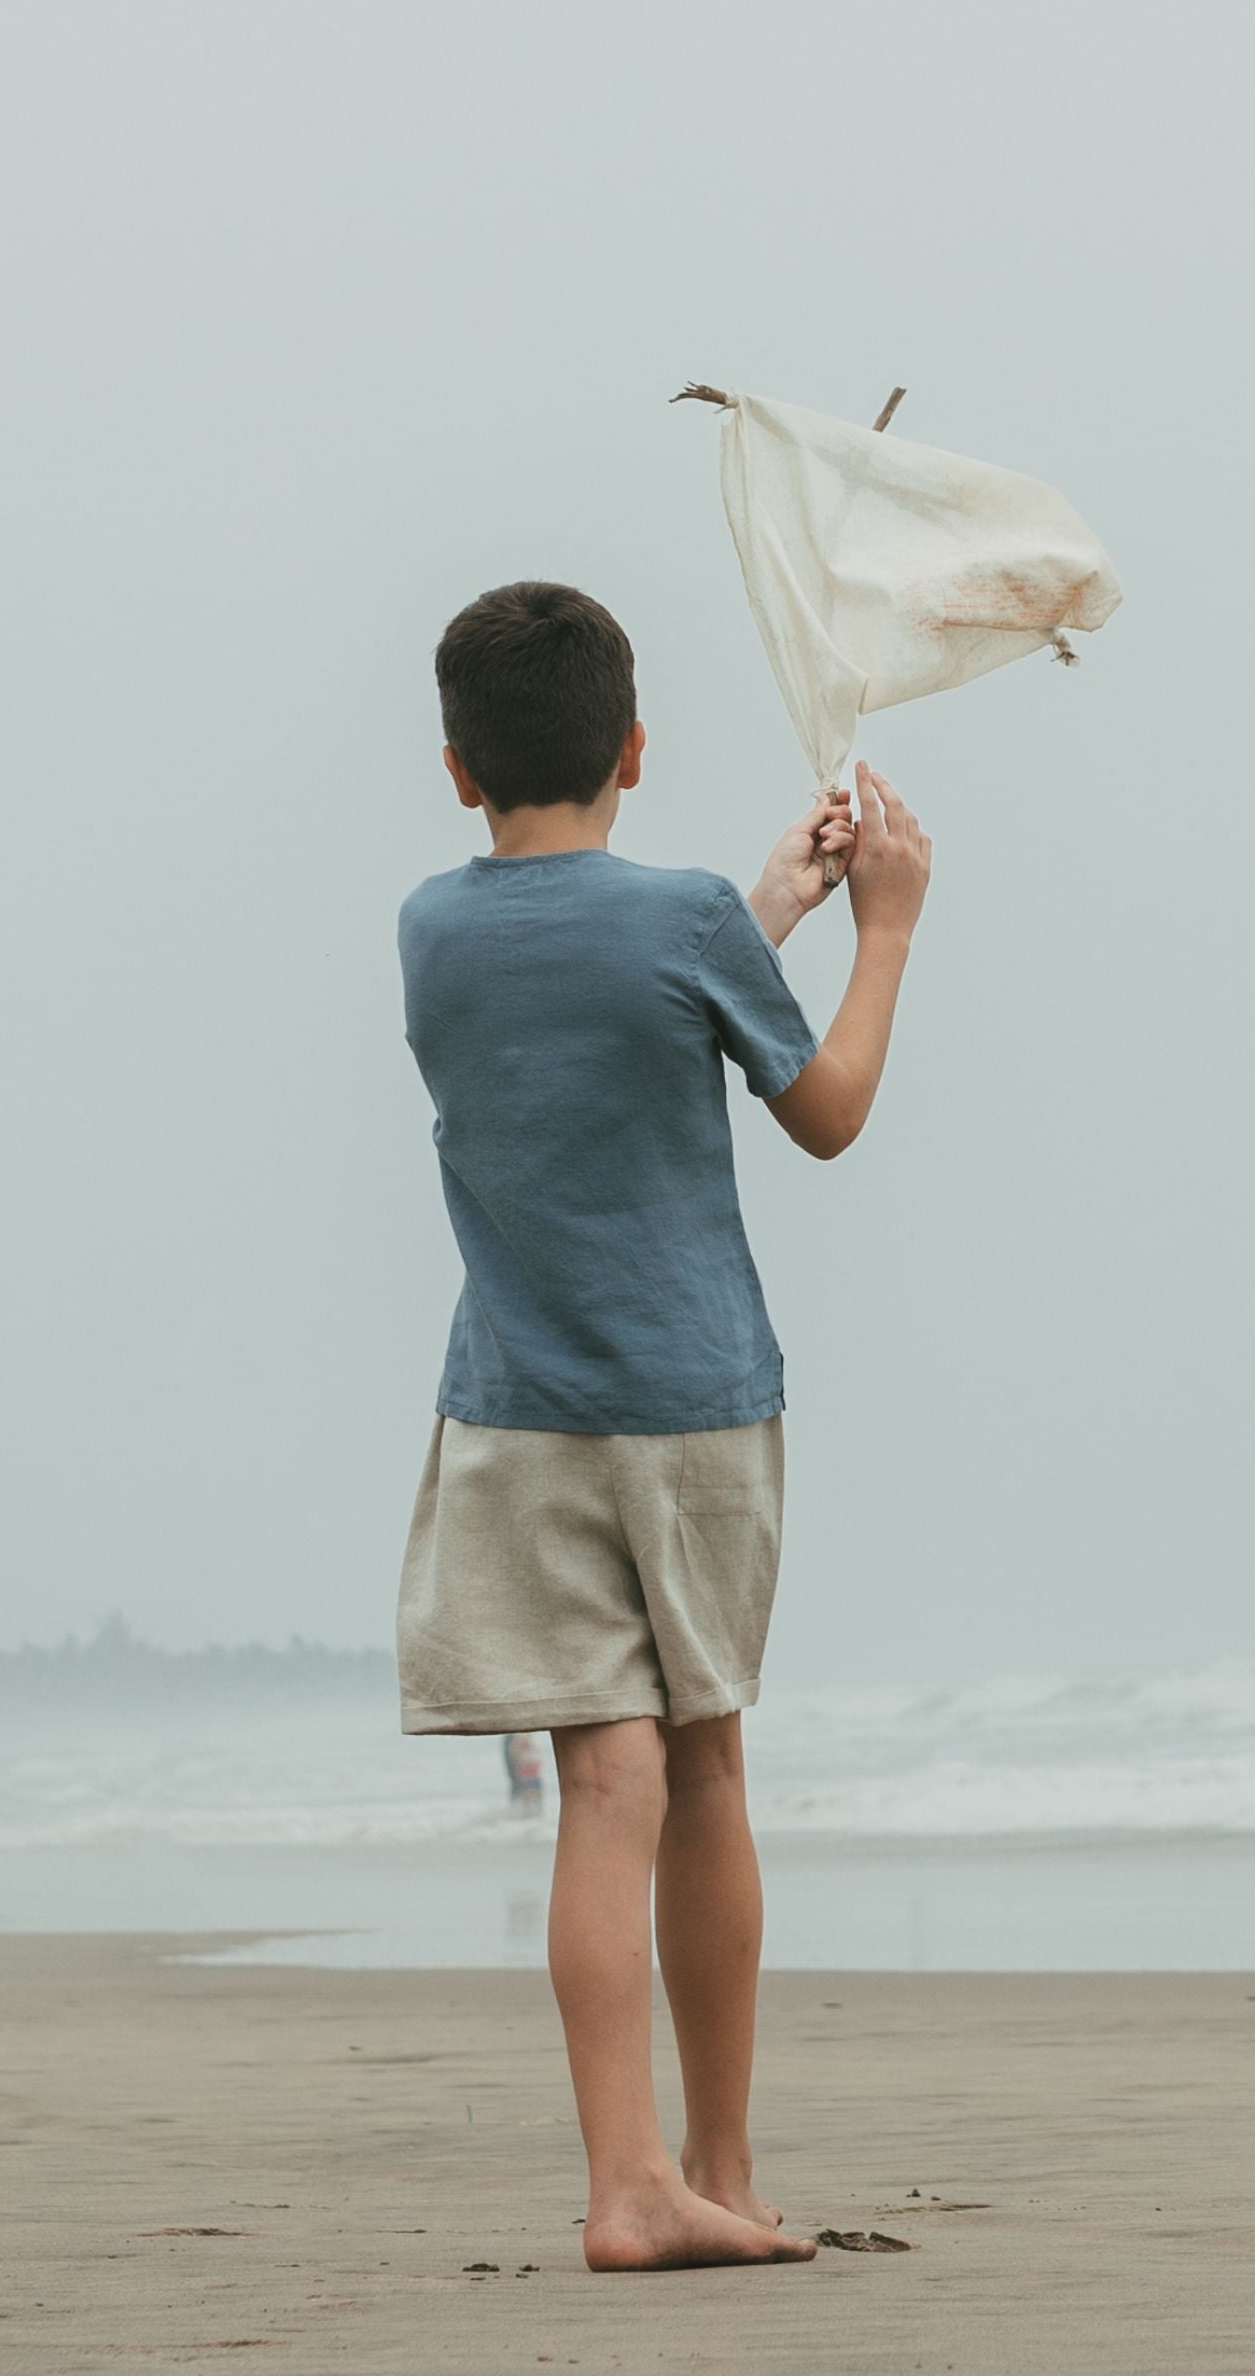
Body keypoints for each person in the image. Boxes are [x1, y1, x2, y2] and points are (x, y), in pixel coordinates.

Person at [393, 579, 931, 2273]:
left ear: (459, 771)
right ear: (636, 746)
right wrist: (884, 926)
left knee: (595, 1787)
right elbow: (824, 1115)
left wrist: (765, 899)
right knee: (704, 1765)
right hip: (693, 1409)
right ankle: (728, 2167)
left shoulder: (430, 929)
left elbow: (603, 1007)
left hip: (515, 1420)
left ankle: (629, 2183)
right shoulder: (685, 924)